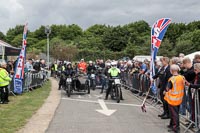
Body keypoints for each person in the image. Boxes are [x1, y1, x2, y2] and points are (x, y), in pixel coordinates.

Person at [164, 64, 185, 133]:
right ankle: (172, 125)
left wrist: (165, 91)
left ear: (171, 71)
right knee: (175, 113)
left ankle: (175, 127)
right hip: (179, 98)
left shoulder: (172, 79)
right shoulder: (181, 77)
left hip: (172, 99)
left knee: (174, 114)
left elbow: (167, 88)